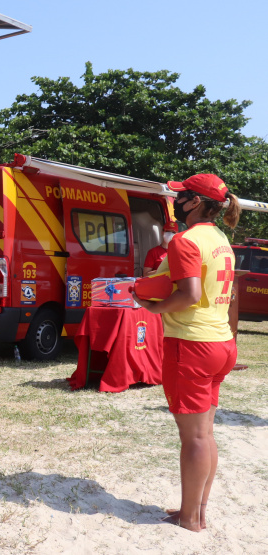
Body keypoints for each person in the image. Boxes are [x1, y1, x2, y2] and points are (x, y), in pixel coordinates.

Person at [131, 173, 242, 532]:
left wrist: (151, 307)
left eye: (181, 196)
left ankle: (190, 518)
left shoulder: (186, 240)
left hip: (192, 344)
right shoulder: (221, 238)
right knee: (205, 434)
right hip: (220, 342)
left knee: (193, 437)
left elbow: (189, 294)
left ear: (195, 203)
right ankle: (198, 510)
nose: (175, 201)